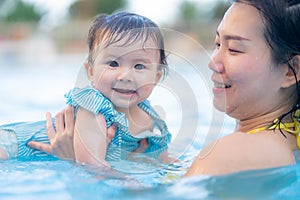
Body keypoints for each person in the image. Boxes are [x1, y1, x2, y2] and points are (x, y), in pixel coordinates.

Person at [26, 0, 300, 175]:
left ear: (291, 71)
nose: (213, 61)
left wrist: (73, 163)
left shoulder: (230, 154)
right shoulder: (283, 145)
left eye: (235, 49)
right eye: (217, 45)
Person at [0, 12, 173, 166]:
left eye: (139, 66)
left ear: (156, 77)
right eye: (113, 64)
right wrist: (131, 183)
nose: (125, 76)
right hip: (12, 146)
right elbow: (92, 167)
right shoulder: (93, 107)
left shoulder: (150, 116)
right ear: (91, 71)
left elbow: (164, 158)